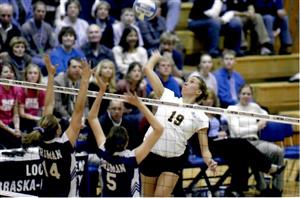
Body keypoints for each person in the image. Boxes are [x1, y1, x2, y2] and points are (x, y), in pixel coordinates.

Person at [141, 51, 217, 196]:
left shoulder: (200, 116)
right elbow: (147, 70)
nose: (187, 82)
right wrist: (155, 57)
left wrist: (209, 161)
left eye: (192, 82)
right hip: (150, 153)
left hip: (173, 159)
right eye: (187, 80)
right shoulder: (168, 96)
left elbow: (204, 149)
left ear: (199, 92)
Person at [192, 88, 285, 196]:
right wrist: (217, 134)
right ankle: (268, 167)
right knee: (242, 143)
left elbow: (264, 110)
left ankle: (236, 189)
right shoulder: (198, 113)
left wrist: (221, 133)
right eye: (207, 99)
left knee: (240, 154)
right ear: (202, 99)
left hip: (218, 142)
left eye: (211, 99)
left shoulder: (216, 113)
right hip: (206, 145)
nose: (209, 101)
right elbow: (201, 134)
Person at [22, 54, 91, 196]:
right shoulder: (65, 144)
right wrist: (85, 80)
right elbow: (78, 110)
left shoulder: (41, 139)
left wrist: (50, 75)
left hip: (47, 191)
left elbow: (48, 105)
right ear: (58, 131)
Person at [87, 75, 164, 197]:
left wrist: (101, 91)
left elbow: (91, 118)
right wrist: (139, 104)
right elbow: (159, 129)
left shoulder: (103, 151)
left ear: (108, 139)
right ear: (126, 142)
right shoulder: (132, 158)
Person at [226, 84, 285, 196]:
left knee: (279, 151)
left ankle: (278, 189)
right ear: (239, 95)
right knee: (255, 154)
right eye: (243, 93)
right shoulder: (232, 109)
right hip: (241, 144)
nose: (246, 96)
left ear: (252, 95)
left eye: (249, 94)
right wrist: (256, 127)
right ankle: (263, 188)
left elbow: (266, 114)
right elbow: (237, 131)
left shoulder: (254, 107)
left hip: (256, 141)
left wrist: (263, 120)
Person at [21, 1, 55, 72]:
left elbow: (51, 46)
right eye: (38, 11)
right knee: (43, 64)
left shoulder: (48, 27)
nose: (41, 14)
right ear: (33, 12)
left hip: (44, 55)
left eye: (43, 12)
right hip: (30, 56)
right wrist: (39, 57)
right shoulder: (26, 27)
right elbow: (25, 48)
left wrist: (46, 55)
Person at [19, 63, 45, 133]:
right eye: (30, 73)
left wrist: (41, 120)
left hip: (37, 120)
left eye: (35, 73)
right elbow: (22, 113)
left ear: (39, 76)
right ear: (26, 75)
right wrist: (36, 118)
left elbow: (42, 109)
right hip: (24, 120)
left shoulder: (41, 91)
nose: (33, 76)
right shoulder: (21, 89)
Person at [0, 63, 21, 149]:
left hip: (10, 124)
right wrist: (11, 131)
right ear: (0, 75)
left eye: (11, 71)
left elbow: (16, 114)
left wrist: (16, 128)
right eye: (6, 72)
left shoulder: (16, 89)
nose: (9, 73)